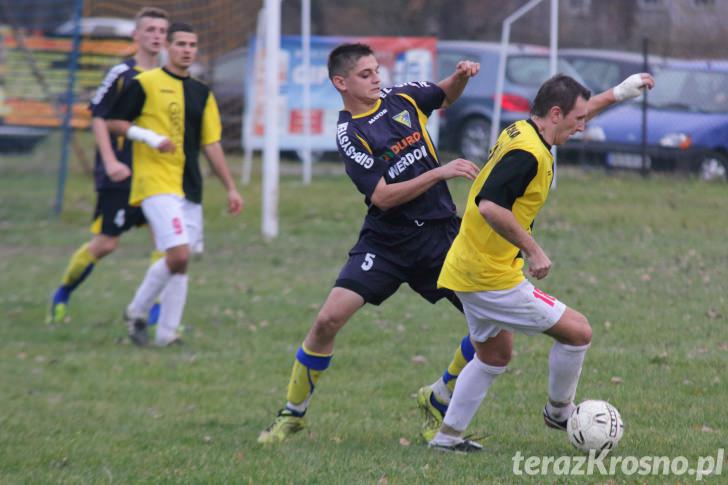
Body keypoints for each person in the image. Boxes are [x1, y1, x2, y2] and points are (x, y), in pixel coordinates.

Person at [258, 42, 484, 445]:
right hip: (387, 242)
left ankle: (439, 395)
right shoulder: (350, 134)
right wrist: (440, 173)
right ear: (340, 83)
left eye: (376, 70)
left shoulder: (402, 97)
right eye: (365, 74)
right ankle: (292, 414)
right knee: (327, 320)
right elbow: (382, 195)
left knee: (489, 325)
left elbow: (444, 93)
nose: (376, 78)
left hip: (438, 236)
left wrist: (461, 76)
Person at [427, 72, 655, 452]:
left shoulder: (526, 129)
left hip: (469, 266)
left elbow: (578, 112)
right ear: (554, 113)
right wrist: (533, 249)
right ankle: (559, 411)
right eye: (577, 120)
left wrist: (618, 93)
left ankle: (446, 438)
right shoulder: (526, 155)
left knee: (494, 355)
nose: (582, 127)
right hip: (489, 275)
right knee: (578, 332)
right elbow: (488, 205)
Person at [106, 22, 243, 347]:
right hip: (155, 181)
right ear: (168, 46)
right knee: (177, 254)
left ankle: (167, 334)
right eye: (180, 43)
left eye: (192, 45)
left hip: (190, 185)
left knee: (181, 264)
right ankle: (136, 310)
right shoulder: (145, 82)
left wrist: (231, 187)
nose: (187, 50)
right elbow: (115, 122)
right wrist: (150, 137)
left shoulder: (201, 92)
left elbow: (211, 144)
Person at [47, 7, 169, 325]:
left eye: (161, 31)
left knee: (167, 242)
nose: (156, 36)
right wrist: (111, 161)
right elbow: (98, 116)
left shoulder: (169, 77)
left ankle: (155, 314)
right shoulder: (121, 74)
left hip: (155, 175)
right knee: (106, 244)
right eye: (151, 30)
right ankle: (62, 293)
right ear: (137, 35)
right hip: (122, 174)